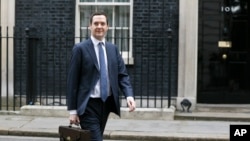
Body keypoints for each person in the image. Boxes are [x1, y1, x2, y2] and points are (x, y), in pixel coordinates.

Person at [66, 11, 136, 141]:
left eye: (102, 23)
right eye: (96, 23)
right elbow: (72, 82)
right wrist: (73, 111)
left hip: (106, 104)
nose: (99, 26)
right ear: (90, 26)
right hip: (88, 105)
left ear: (107, 27)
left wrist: (129, 95)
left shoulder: (112, 49)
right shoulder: (80, 49)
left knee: (92, 138)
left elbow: (122, 75)